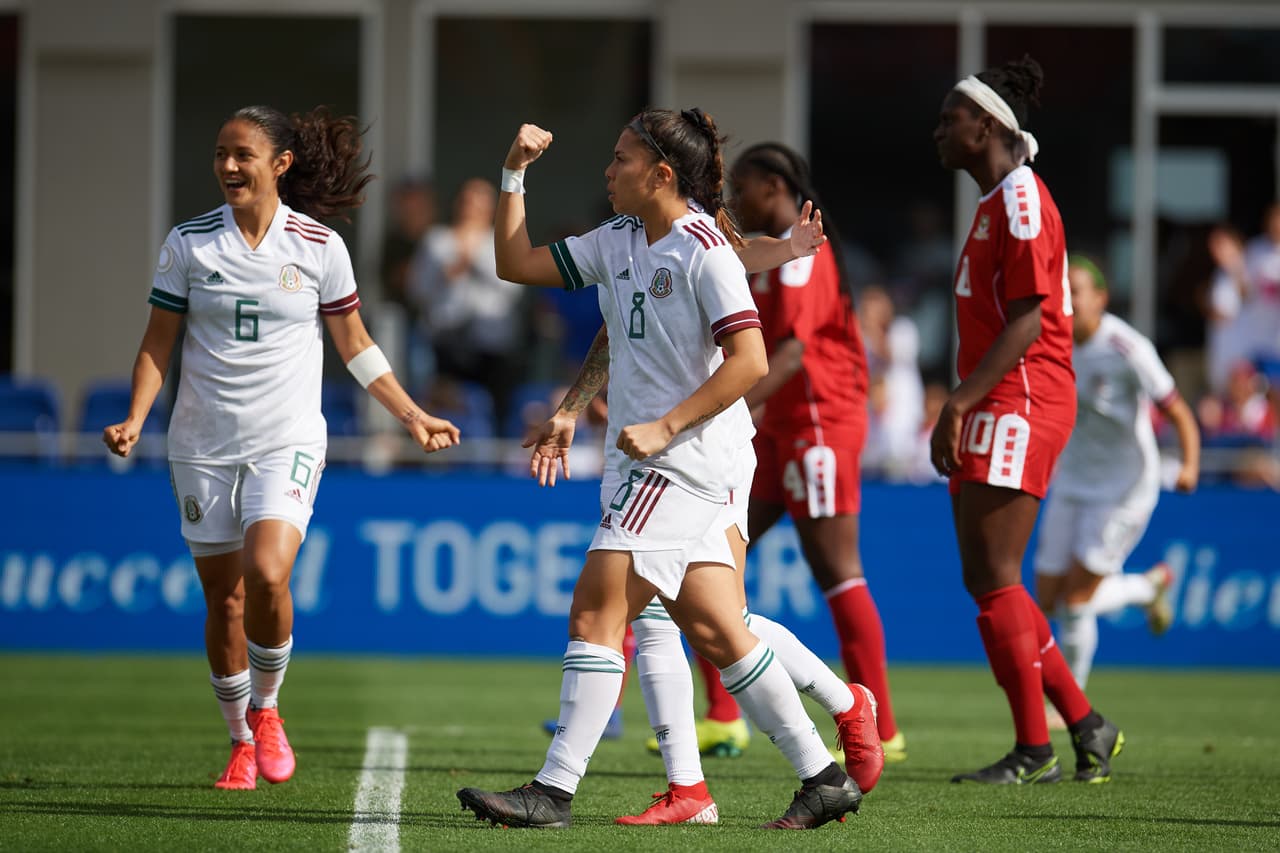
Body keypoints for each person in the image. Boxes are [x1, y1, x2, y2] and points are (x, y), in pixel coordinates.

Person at [455, 109, 871, 830]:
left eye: (620, 159)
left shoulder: (705, 249)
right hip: (653, 455)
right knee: (713, 624)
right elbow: (515, 263)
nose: (607, 170)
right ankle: (822, 771)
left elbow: (751, 360)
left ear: (662, 175)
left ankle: (554, 789)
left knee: (597, 605)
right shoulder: (617, 241)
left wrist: (668, 424)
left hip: (686, 460)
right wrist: (513, 172)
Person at [103, 105, 459, 791]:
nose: (229, 166)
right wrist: (135, 417)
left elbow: (354, 344)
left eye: (243, 154)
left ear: (280, 163)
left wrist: (412, 414)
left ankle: (267, 711)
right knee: (225, 603)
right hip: (201, 443)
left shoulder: (319, 245)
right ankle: (239, 738)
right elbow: (158, 341)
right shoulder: (189, 243)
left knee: (269, 573)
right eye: (220, 154)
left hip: (287, 437)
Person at [665, 142, 903, 762]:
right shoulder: (764, 254)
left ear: (775, 186)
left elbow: (791, 352)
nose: (737, 199)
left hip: (820, 422)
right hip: (779, 430)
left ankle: (883, 722)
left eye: (744, 187)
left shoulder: (798, 254)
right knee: (705, 555)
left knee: (837, 571)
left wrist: (718, 406)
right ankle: (724, 717)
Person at [931, 57, 1125, 784]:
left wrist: (958, 400)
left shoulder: (1019, 201)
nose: (938, 131)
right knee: (987, 577)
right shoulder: (998, 201)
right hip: (1002, 395)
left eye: (949, 119)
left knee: (998, 573)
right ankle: (1083, 725)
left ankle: (1035, 747)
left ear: (986, 124)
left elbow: (1030, 319)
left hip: (1022, 396)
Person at [1033, 256, 1200, 722]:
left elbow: (1179, 411)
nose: (1069, 300)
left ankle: (1069, 704)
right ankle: (1148, 587)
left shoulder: (1127, 347)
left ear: (1101, 298)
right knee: (1047, 599)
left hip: (1125, 487)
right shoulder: (1053, 342)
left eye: (1077, 290)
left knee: (1077, 601)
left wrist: (1189, 464)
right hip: (1072, 481)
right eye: (1064, 292)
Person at [407, 178, 525, 434]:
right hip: (444, 343)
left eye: (479, 203)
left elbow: (514, 288)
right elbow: (417, 290)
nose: (472, 209)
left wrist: (474, 261)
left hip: (492, 345)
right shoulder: (437, 240)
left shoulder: (503, 241)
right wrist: (445, 274)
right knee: (435, 398)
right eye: (467, 202)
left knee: (497, 407)